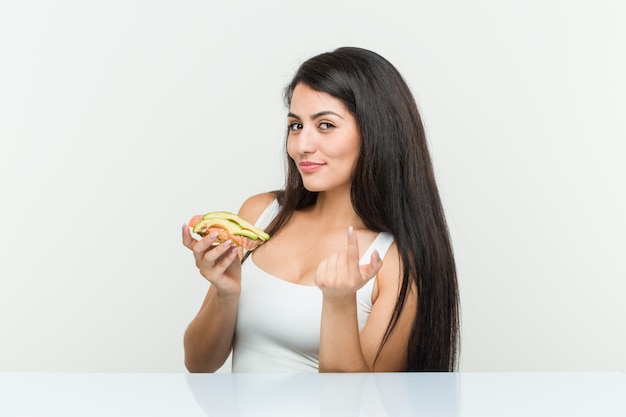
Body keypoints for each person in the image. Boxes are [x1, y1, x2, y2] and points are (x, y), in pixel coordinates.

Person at [182, 47, 460, 372]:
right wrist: (225, 292)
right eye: (296, 125)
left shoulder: (394, 262)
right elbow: (198, 365)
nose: (302, 145)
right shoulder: (261, 215)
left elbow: (359, 404)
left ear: (376, 133)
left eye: (325, 125)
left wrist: (339, 303)